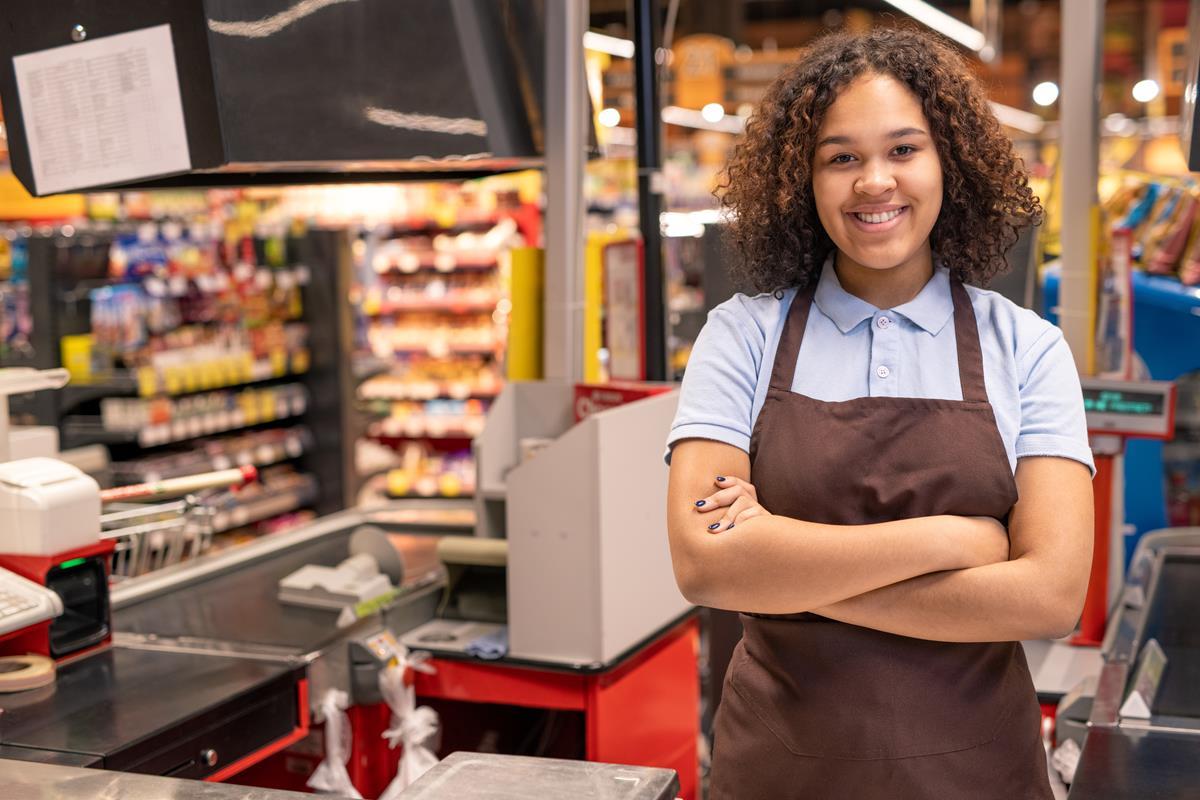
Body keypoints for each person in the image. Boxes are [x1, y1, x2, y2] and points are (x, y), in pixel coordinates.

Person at [664, 27, 1094, 800]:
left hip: (976, 773)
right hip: (781, 772)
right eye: (841, 157)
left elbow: (1050, 597)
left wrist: (779, 570)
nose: (874, 182)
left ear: (947, 165)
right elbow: (704, 563)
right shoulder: (743, 335)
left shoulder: (1026, 348)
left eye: (903, 150)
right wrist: (956, 539)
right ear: (804, 179)